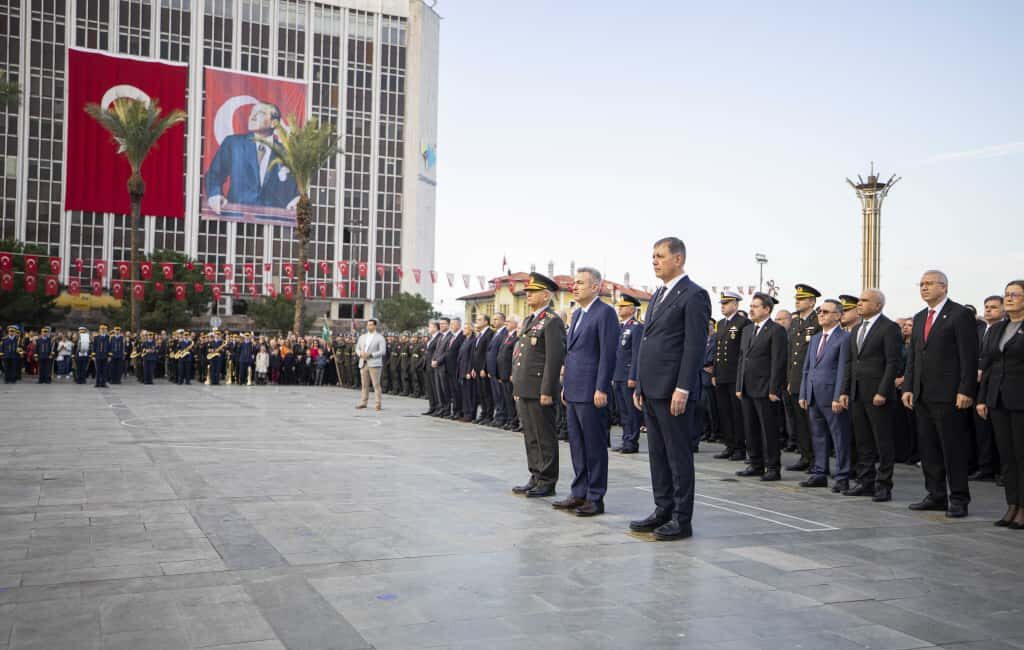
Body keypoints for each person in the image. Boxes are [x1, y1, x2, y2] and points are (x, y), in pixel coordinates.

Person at [629, 237, 711, 541]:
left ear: (678, 259)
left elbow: (693, 346)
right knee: (657, 454)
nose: (654, 261)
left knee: (677, 456)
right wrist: (639, 381)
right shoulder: (658, 295)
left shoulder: (694, 295)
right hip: (651, 387)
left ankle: (681, 518)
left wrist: (683, 388)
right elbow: (648, 342)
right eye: (652, 256)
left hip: (673, 389)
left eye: (660, 256)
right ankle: (662, 509)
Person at [902, 270, 978, 518]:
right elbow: (914, 356)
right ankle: (935, 494)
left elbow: (968, 356)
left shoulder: (960, 314)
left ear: (944, 287)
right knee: (929, 448)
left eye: (929, 284)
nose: (923, 288)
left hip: (949, 395)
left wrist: (965, 389)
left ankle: (958, 498)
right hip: (923, 394)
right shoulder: (920, 316)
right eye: (921, 284)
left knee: (952, 448)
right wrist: (909, 387)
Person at [554, 268, 618, 517]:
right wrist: (566, 387)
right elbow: (573, 354)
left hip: (592, 391)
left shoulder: (605, 313)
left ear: (595, 287)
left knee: (594, 446)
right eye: (573, 283)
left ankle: (595, 497)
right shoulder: (578, 313)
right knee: (577, 446)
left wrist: (601, 387)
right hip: (574, 390)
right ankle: (579, 492)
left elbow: (607, 353)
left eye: (580, 283)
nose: (575, 286)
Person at [838, 289, 903, 502]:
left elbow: (893, 362)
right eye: (860, 300)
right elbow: (850, 363)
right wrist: (845, 391)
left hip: (877, 394)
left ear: (878, 305)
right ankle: (866, 482)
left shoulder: (889, 328)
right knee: (863, 441)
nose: (860, 303)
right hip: (857, 393)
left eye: (865, 301)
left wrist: (883, 391)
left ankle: (884, 485)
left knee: (883, 441)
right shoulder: (856, 329)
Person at [511, 272, 567, 498]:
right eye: (527, 292)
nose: (528, 295)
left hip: (539, 389)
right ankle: (535, 475)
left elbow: (553, 359)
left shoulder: (552, 321)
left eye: (532, 292)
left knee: (544, 435)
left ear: (546, 295)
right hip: (525, 387)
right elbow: (521, 355)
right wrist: (517, 386)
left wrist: (547, 390)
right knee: (530, 434)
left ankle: (547, 480)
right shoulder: (529, 320)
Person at [977, 280, 1024, 528]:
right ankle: (1012, 505)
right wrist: (983, 398)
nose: (1009, 298)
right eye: (1007, 294)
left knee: (1021, 455)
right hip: (998, 399)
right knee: (1007, 456)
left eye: (1015, 294)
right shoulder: (997, 329)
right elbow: (989, 365)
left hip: (1020, 400)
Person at [205, 102, 299, 214]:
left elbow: (299, 184)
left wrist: (297, 199)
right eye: (251, 113)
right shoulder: (234, 144)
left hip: (273, 221)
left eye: (260, 113)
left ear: (274, 123)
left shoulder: (287, 152)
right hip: (236, 218)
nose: (252, 117)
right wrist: (215, 195)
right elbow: (214, 174)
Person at [798, 299, 852, 492]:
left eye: (826, 312)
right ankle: (820, 472)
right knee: (818, 436)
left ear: (838, 315)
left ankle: (842, 476)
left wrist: (839, 395)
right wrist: (804, 392)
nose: (821, 314)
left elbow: (843, 370)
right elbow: (807, 368)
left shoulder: (844, 338)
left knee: (839, 437)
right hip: (813, 395)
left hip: (831, 396)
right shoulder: (815, 338)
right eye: (820, 311)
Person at [735, 293, 788, 481]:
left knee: (769, 429)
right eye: (751, 305)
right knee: (751, 428)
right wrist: (739, 385)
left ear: (767, 309)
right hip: (748, 387)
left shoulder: (776, 330)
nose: (751, 309)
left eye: (756, 306)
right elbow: (742, 358)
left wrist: (774, 389)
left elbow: (778, 361)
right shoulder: (748, 330)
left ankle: (772, 467)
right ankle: (755, 463)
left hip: (765, 389)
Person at [785, 284, 822, 472]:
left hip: (810, 380)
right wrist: (789, 380)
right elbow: (792, 354)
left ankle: (817, 459)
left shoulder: (817, 322)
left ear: (812, 301)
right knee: (799, 422)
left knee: (812, 423)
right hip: (796, 379)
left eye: (802, 299)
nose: (797, 301)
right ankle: (805, 455)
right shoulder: (796, 322)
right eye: (796, 298)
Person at [713, 291, 750, 461]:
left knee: (737, 413)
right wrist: (714, 372)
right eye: (722, 303)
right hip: (721, 374)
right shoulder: (720, 324)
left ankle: (740, 448)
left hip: (735, 375)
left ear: (735, 305)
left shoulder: (743, 323)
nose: (723, 306)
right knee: (725, 412)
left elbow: (744, 352)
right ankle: (729, 445)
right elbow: (717, 350)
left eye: (726, 303)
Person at [973, 295, 1006, 481]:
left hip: (996, 385)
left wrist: (983, 371)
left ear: (1002, 311)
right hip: (977, 386)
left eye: (993, 307)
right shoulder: (980, 330)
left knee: (999, 432)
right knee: (981, 429)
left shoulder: (1005, 330)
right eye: (986, 306)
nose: (988, 310)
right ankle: (985, 467)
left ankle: (1001, 470)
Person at [612, 295, 644, 453]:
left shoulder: (636, 327)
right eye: (619, 306)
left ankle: (632, 441)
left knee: (631, 411)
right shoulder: (621, 327)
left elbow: (637, 353)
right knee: (622, 411)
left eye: (623, 306)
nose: (620, 309)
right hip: (618, 374)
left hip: (627, 375)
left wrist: (633, 376)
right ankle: (626, 439)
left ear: (632, 309)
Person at [356, 319, 386, 410]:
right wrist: (360, 354)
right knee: (364, 384)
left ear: (375, 326)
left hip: (374, 363)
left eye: (371, 325)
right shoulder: (362, 337)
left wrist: (371, 354)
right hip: (363, 362)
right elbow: (357, 348)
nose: (369, 326)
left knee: (376, 384)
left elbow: (383, 351)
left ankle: (378, 404)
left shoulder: (380, 337)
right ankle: (364, 402)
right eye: (368, 325)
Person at [498, 315, 520, 431]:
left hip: (510, 374)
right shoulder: (506, 336)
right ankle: (509, 419)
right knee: (506, 398)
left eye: (509, 321)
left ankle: (514, 421)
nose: (506, 323)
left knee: (512, 399)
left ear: (516, 324)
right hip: (503, 373)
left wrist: (511, 373)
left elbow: (514, 358)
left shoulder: (516, 337)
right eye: (505, 321)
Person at [471, 314, 494, 423]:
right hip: (477, 368)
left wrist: (484, 368)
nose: (477, 321)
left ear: (486, 322)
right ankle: (483, 413)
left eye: (480, 320)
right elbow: (476, 353)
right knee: (480, 393)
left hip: (483, 369)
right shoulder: (479, 335)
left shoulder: (489, 333)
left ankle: (488, 415)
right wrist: (473, 368)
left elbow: (487, 353)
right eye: (477, 320)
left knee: (486, 393)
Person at [456, 321, 477, 421]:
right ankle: (465, 413)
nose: (463, 330)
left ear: (471, 329)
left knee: (469, 394)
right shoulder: (465, 340)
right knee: (464, 393)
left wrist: (469, 371)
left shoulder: (473, 340)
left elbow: (472, 357)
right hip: (462, 370)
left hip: (467, 371)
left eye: (465, 328)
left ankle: (470, 414)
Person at [422, 321, 441, 415]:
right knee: (430, 388)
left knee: (435, 388)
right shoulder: (432, 338)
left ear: (435, 328)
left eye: (430, 327)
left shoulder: (439, 337)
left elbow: (437, 352)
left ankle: (438, 407)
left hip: (434, 366)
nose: (428, 329)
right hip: (427, 366)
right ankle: (432, 407)